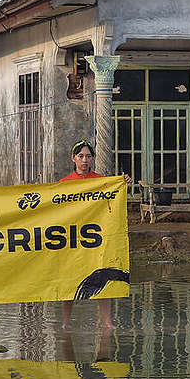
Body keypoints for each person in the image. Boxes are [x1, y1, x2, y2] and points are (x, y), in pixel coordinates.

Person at [60, 140, 114, 330]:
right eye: (81, 156)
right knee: (69, 282)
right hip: (72, 238)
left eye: (88, 157)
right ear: (73, 158)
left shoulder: (100, 181)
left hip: (95, 238)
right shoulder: (64, 184)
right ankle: (66, 323)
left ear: (92, 159)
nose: (85, 160)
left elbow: (110, 203)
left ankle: (107, 322)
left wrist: (122, 185)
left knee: (102, 277)